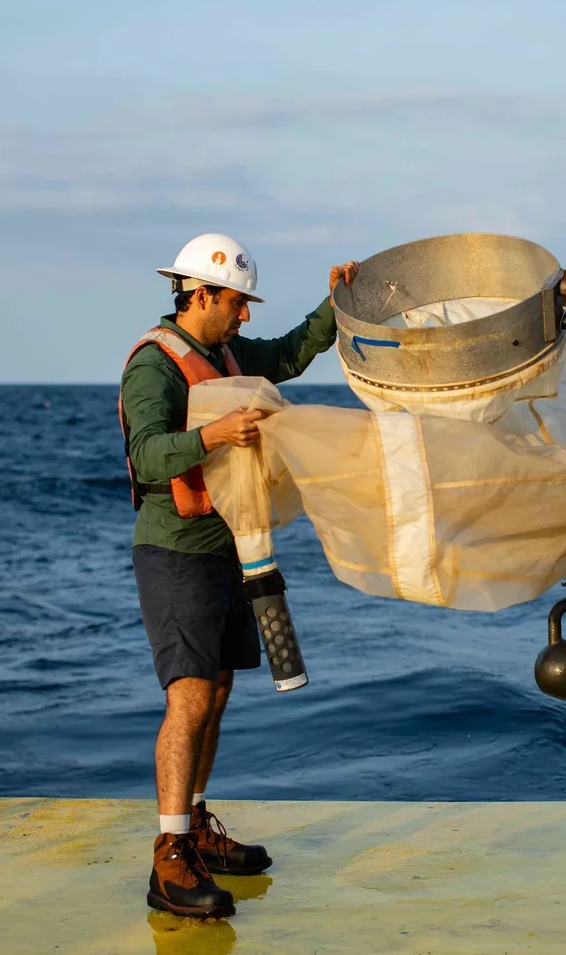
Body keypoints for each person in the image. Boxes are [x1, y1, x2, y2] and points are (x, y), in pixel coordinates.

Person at [119, 232, 358, 919]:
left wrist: (334, 304)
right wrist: (214, 437)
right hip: (177, 551)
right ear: (200, 295)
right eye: (236, 302)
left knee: (218, 694)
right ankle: (168, 859)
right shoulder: (153, 365)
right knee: (189, 697)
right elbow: (146, 455)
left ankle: (193, 826)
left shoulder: (222, 354)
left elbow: (285, 355)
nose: (245, 315)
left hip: (229, 547)